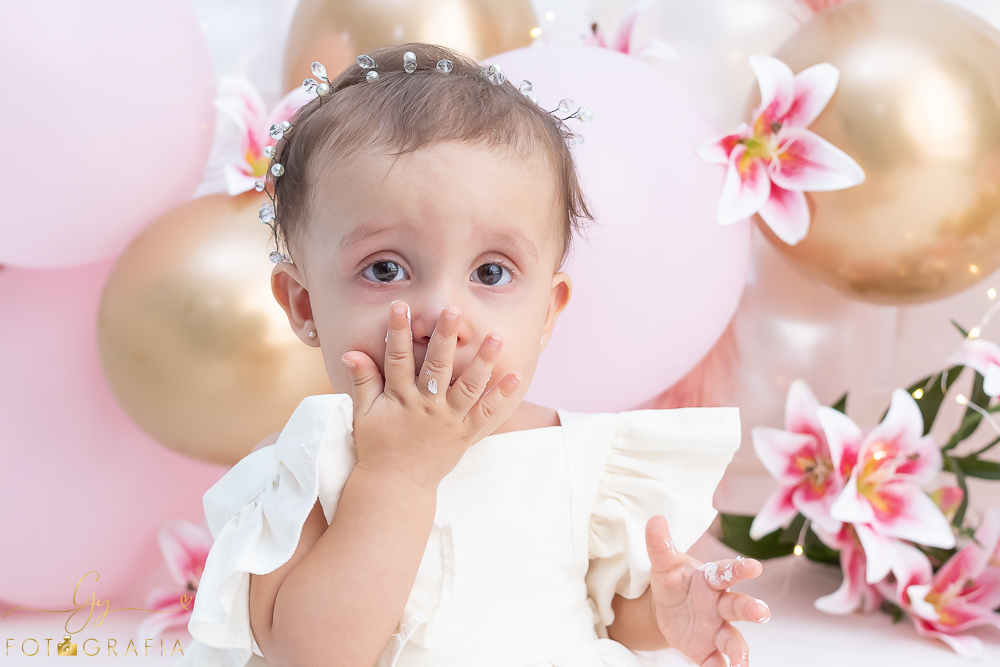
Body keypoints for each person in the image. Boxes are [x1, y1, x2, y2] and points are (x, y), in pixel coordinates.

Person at [179, 42, 769, 667]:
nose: (443, 313)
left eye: (491, 272)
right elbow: (312, 653)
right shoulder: (303, 464)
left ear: (546, 313)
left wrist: (664, 614)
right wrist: (397, 475)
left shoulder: (574, 452)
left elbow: (604, 612)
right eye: (385, 268)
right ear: (303, 304)